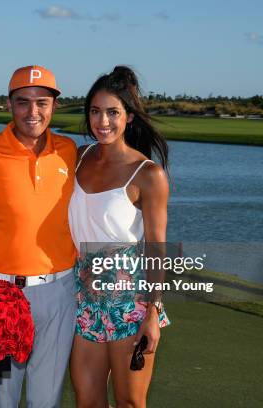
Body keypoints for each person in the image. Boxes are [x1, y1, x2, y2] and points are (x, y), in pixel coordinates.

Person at [0, 65, 78, 408]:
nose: (33, 112)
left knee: (46, 401)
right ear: (9, 105)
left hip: (59, 290)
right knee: (1, 398)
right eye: (23, 102)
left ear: (54, 106)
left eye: (42, 102)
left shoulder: (70, 151)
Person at [68, 66, 171, 408]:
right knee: (87, 400)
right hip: (84, 296)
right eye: (95, 112)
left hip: (130, 301)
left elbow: (157, 248)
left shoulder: (148, 175)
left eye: (113, 112)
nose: (103, 121)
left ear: (129, 117)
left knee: (129, 402)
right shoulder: (78, 157)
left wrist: (152, 314)